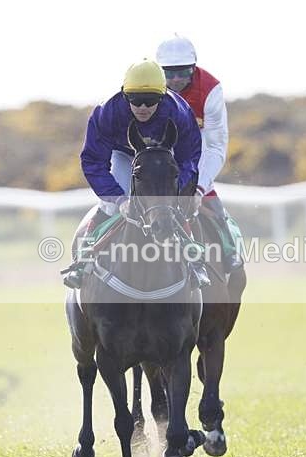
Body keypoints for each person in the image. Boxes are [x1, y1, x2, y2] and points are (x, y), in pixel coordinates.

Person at [63, 59, 202, 288]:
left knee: (173, 206)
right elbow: (93, 161)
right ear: (124, 94)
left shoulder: (179, 111)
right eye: (135, 100)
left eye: (151, 100)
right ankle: (84, 261)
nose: (143, 107)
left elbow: (189, 158)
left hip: (163, 156)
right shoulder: (107, 112)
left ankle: (195, 262)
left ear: (163, 96)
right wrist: (119, 199)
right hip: (124, 155)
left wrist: (177, 190)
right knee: (109, 206)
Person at [156, 35, 243, 273]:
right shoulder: (148, 86)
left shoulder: (210, 89)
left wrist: (199, 189)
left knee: (216, 212)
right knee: (113, 205)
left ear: (194, 67)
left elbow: (215, 147)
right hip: (158, 155)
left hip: (198, 152)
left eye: (183, 72)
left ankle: (230, 253)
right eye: (169, 73)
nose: (175, 79)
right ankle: (89, 251)